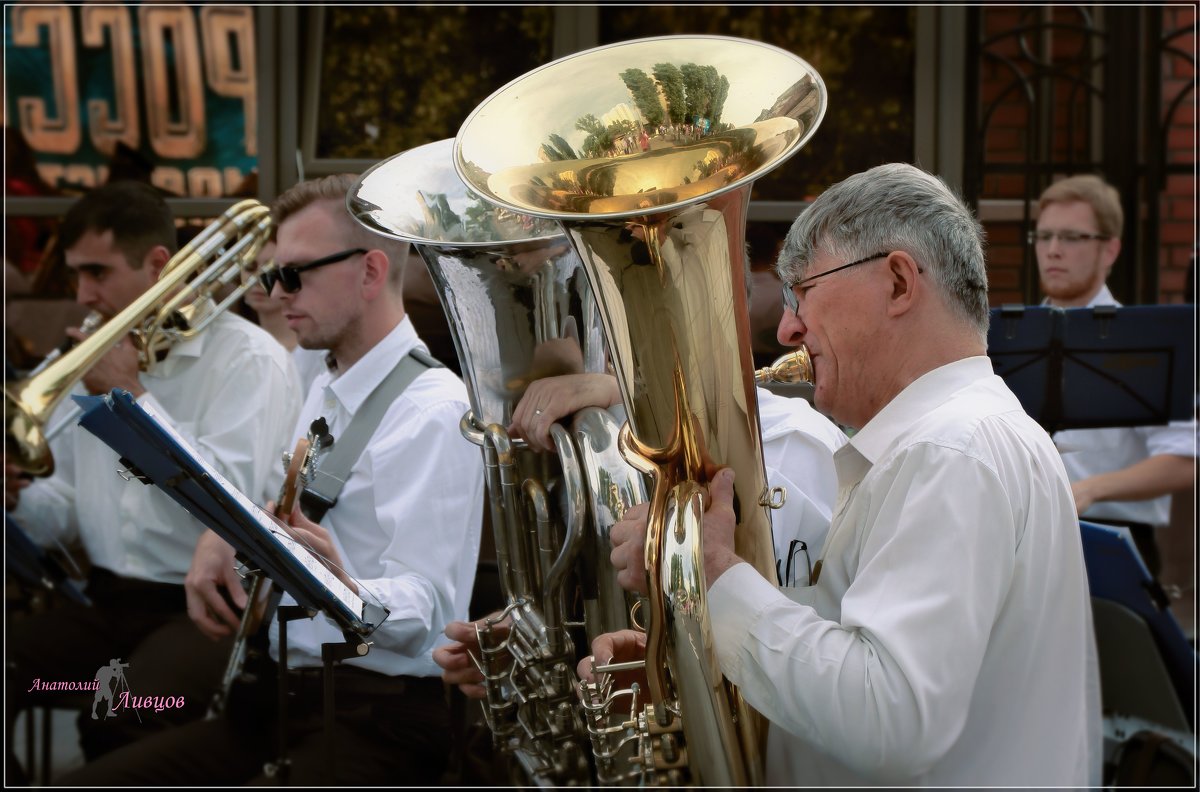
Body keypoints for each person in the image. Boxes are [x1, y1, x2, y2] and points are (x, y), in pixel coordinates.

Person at [594, 163, 1101, 786]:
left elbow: (889, 720)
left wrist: (710, 574)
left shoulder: (949, 450)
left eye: (801, 292)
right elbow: (853, 650)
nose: (787, 330)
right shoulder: (954, 439)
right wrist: (681, 656)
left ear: (896, 282)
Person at [56, 173, 485, 786]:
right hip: (276, 700)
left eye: (294, 273)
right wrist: (227, 537)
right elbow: (294, 505)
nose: (275, 292)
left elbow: (433, 609)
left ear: (368, 272)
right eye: (271, 275)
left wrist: (342, 586)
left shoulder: (434, 410)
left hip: (373, 719)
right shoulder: (320, 377)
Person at [4, 181, 301, 773]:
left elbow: (230, 509)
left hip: (202, 614)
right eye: (75, 274)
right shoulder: (84, 359)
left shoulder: (249, 359)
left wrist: (131, 397)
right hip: (107, 603)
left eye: (99, 273)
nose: (83, 295)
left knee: (120, 711)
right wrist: (16, 498)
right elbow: (62, 512)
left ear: (157, 266)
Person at [1032, 174, 1197, 576]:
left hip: (1110, 542)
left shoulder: (1143, 342)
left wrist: (1089, 490)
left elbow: (1185, 458)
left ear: (1110, 249)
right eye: (1044, 235)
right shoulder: (1007, 336)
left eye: (1072, 237)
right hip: (1026, 537)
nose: (1053, 250)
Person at [242, 238, 330, 394]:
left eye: (270, 269)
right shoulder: (239, 349)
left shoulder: (317, 352)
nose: (257, 280)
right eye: (250, 266)